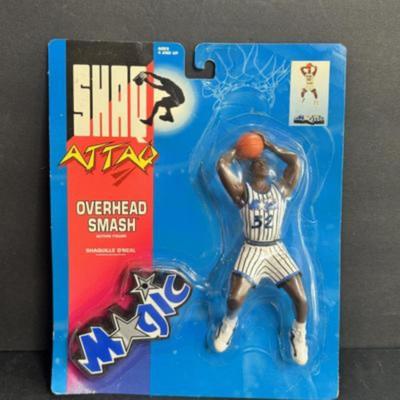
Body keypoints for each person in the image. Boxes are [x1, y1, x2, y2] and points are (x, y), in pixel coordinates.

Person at [214, 132, 308, 365]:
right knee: (234, 300)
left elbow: (296, 162)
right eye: (257, 162)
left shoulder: (281, 190)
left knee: (301, 299)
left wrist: (271, 146)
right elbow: (222, 164)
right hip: (253, 249)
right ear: (250, 170)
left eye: (265, 161)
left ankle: (298, 334)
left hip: (276, 249)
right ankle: (228, 324)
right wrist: (239, 150)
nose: (262, 163)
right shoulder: (242, 192)